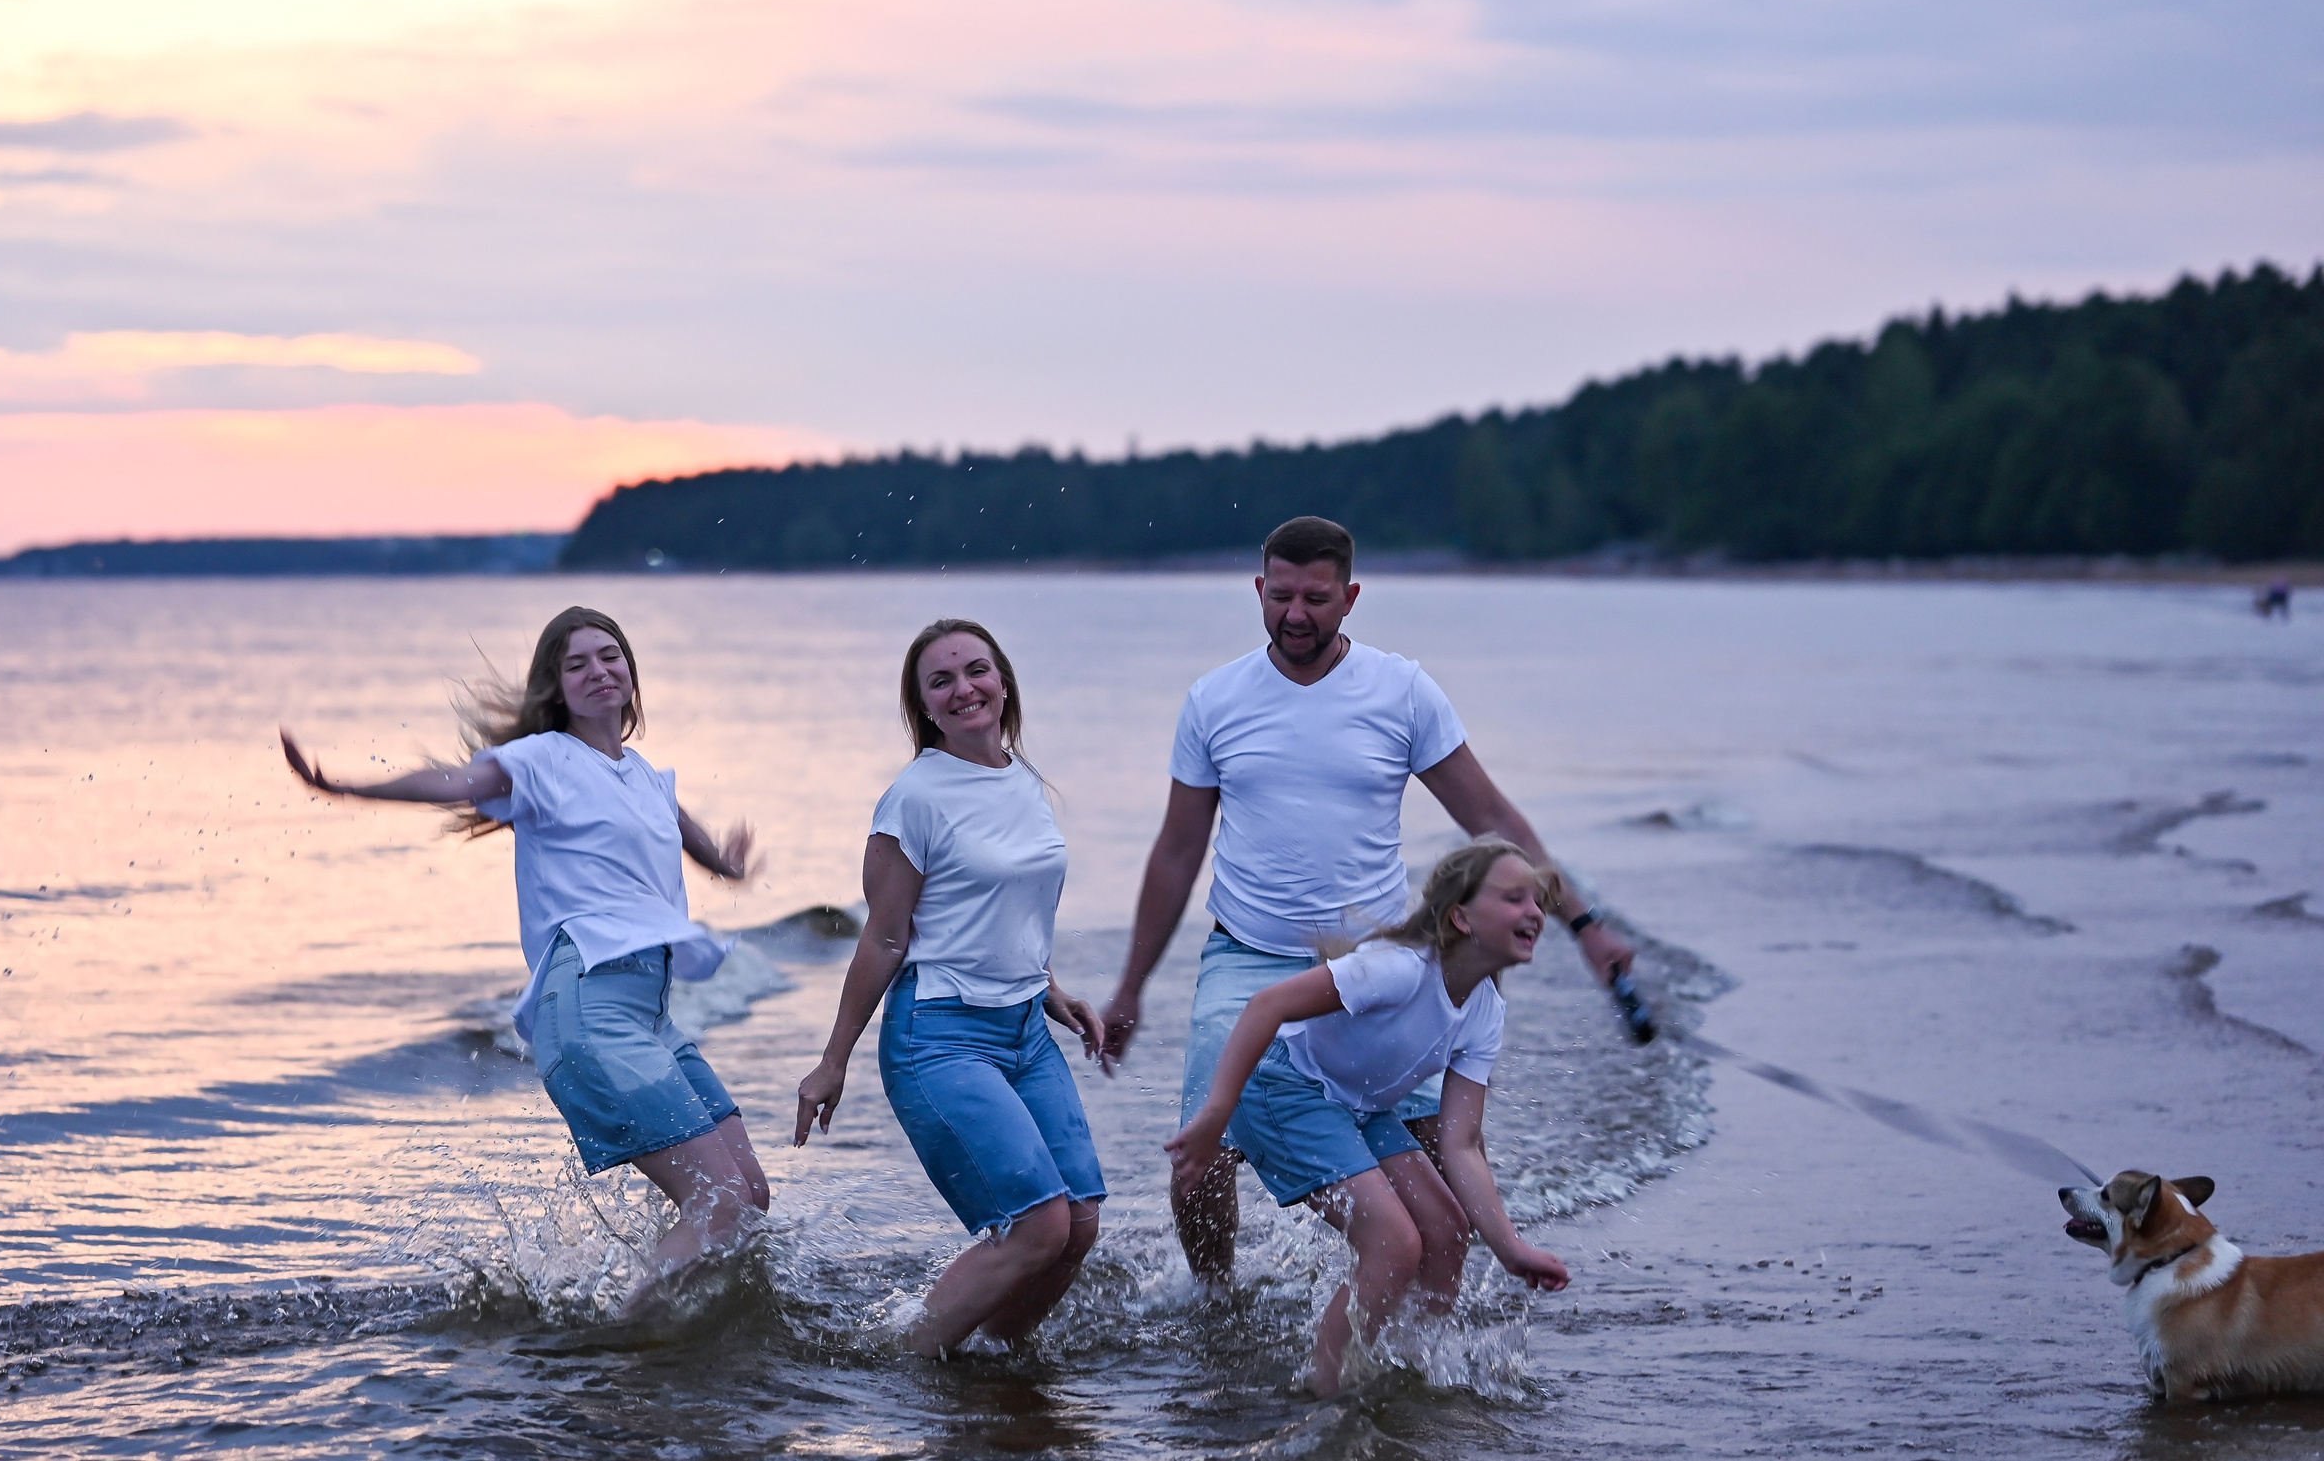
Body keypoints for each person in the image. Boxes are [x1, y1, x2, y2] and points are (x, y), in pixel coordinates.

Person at [1098, 514, 1635, 1285]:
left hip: (1383, 960)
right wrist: (1131, 987)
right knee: (1203, 1152)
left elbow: (1494, 820)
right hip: (1247, 954)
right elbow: (1177, 849)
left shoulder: (1402, 690)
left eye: (1316, 598)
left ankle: (1418, 1317)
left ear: (1350, 597)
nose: (1295, 614)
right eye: (1280, 595)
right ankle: (1215, 1304)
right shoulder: (1215, 699)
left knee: (1433, 1154)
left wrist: (1584, 925)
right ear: (1258, 589)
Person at [281, 605, 768, 1310]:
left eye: (611, 656)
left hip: (650, 1015)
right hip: (590, 1006)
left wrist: (725, 862)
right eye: (578, 664)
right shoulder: (540, 760)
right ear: (557, 688)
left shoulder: (644, 775)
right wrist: (348, 785)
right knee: (717, 1200)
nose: (599, 670)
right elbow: (454, 781)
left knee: (748, 1196)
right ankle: (632, 1342)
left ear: (631, 673)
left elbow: (679, 824)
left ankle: (686, 1339)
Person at [794, 618, 1107, 1356]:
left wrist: (1051, 989)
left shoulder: (1022, 780)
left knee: (1080, 1220)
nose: (965, 687)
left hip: (1025, 1028)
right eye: (943, 680)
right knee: (1039, 1224)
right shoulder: (915, 798)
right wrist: (833, 1058)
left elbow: (1003, 909)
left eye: (977, 670)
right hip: (939, 1035)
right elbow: (886, 935)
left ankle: (994, 1359)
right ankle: (908, 1363)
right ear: (924, 707)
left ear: (1003, 682)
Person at [1165, 838, 1570, 1397]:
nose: (1533, 912)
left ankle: (1410, 1366)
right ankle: (1322, 1392)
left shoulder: (1485, 1012)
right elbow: (1267, 1005)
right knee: (1394, 1243)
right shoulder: (1400, 968)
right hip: (1283, 1087)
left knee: (1449, 1231)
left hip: (1356, 1106)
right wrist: (1217, 1115)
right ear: (1460, 916)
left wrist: (1510, 1248)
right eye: (1513, 898)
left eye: (1537, 902)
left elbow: (1463, 1144)